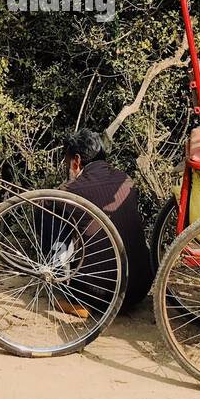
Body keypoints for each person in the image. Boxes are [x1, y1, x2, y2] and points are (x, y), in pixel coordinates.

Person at [55, 129, 152, 316]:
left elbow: (46, 205)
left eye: (68, 163)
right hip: (139, 288)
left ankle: (76, 297)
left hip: (101, 294)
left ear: (76, 160)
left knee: (48, 210)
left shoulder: (72, 190)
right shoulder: (125, 179)